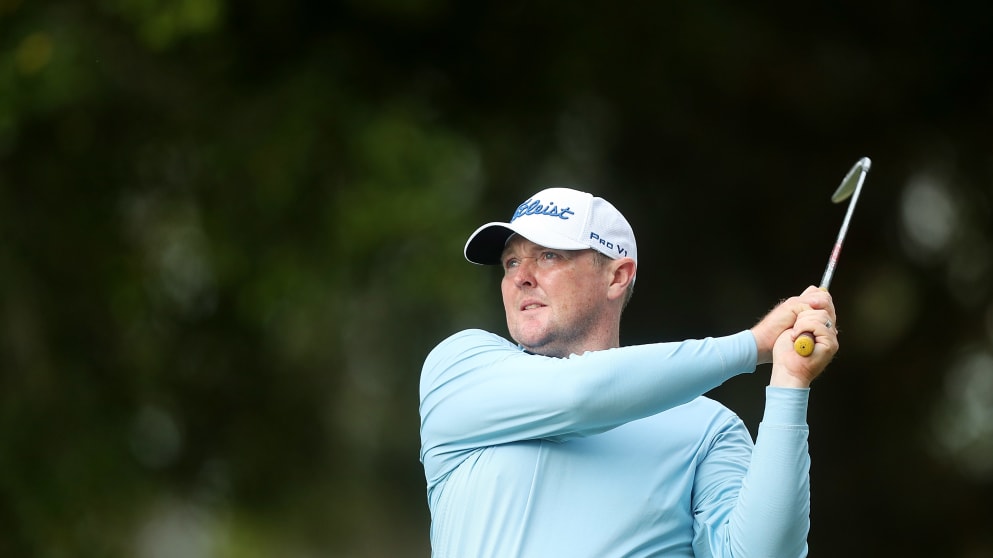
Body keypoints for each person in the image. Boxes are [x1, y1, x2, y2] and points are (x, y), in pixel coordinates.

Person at [418, 187, 838, 557]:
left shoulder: (708, 429)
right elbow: (579, 395)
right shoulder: (460, 368)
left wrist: (788, 380)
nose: (521, 278)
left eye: (548, 256)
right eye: (510, 262)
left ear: (618, 276)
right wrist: (751, 346)